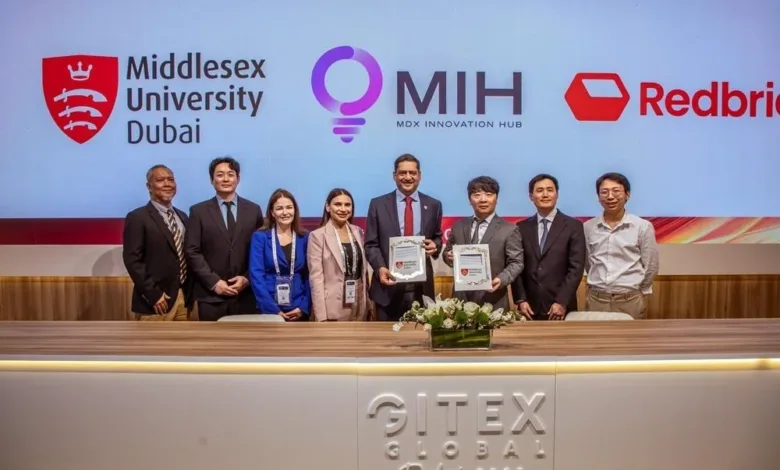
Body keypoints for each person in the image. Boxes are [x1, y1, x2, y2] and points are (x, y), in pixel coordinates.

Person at [364, 154, 443, 321]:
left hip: (421, 288)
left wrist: (435, 246)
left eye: (412, 173)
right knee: (385, 337)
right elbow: (371, 244)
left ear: (419, 175)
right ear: (394, 176)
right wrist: (380, 268)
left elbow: (437, 238)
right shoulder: (378, 205)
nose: (408, 177)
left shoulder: (434, 205)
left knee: (420, 336)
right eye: (402, 173)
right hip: (387, 287)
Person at [185, 156, 263, 321]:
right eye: (220, 175)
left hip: (246, 295)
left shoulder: (254, 210)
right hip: (211, 296)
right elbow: (192, 251)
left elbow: (260, 251)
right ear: (211, 180)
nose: (226, 179)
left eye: (230, 174)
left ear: (238, 179)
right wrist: (214, 282)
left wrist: (247, 278)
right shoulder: (198, 212)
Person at [583, 172, 660, 319]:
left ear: (627, 194)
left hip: (629, 300)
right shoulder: (588, 227)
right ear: (598, 197)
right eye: (604, 192)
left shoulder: (642, 226)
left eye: (616, 191)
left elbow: (651, 265)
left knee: (631, 335)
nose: (610, 196)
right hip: (596, 299)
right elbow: (588, 263)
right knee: (595, 335)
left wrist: (638, 290)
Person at [122, 164, 193, 321]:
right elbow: (133, 260)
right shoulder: (137, 217)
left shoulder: (183, 216)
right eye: (160, 180)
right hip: (156, 303)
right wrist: (153, 295)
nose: (167, 184)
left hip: (183, 298)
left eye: (171, 179)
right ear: (149, 186)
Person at [511, 174, 586, 321]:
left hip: (561, 307)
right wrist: (520, 299)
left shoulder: (573, 226)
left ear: (557, 194)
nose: (545, 194)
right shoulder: (521, 227)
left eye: (550, 190)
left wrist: (561, 301)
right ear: (531, 196)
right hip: (529, 308)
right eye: (539, 190)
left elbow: (576, 268)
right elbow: (516, 266)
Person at [443, 176, 524, 311]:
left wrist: (501, 279)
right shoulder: (458, 226)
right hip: (460, 300)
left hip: (493, 300)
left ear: (496, 199)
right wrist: (448, 256)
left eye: (488, 194)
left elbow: (517, 262)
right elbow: (447, 252)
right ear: (470, 200)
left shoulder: (509, 229)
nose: (483, 199)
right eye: (477, 195)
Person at [307, 188, 370, 321]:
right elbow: (316, 278)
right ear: (328, 207)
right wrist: (321, 316)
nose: (343, 209)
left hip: (359, 303)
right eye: (338, 204)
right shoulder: (317, 236)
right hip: (332, 306)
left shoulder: (358, 231)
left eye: (347, 205)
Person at [249, 189, 311, 321]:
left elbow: (310, 275)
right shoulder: (260, 237)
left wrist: (303, 307)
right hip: (269, 309)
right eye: (279, 208)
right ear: (272, 212)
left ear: (295, 210)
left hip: (298, 307)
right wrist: (272, 310)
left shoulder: (305, 237)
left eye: (289, 207)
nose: (285, 212)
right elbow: (256, 276)